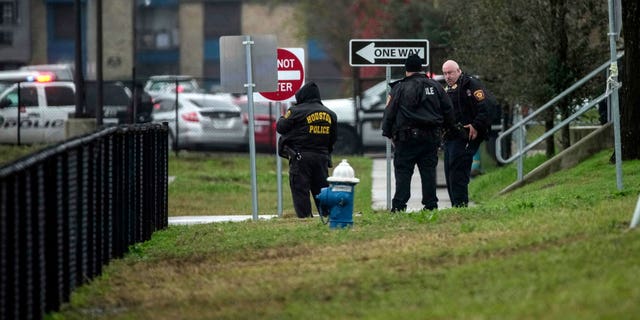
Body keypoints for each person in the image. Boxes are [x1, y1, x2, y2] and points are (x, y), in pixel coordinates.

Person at [381, 54, 455, 212]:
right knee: (428, 172)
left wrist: (387, 133)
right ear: (421, 68)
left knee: (403, 173)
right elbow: (448, 111)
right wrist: (446, 130)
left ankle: (399, 206)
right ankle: (430, 205)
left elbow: (389, 113)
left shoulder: (399, 88)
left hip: (405, 139)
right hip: (430, 138)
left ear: (406, 70)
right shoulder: (435, 87)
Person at [277, 81, 338, 218]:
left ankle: (305, 219)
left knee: (300, 190)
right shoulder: (330, 114)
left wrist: (284, 116)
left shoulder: (295, 111)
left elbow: (281, 127)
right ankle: (328, 218)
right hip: (321, 157)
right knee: (322, 189)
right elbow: (333, 138)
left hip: (300, 157)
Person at [441, 60, 492, 207]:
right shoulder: (447, 89)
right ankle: (455, 206)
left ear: (458, 71)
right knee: (449, 172)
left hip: (465, 137)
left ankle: (460, 206)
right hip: (451, 137)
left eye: (450, 72)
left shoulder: (471, 85)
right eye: (445, 73)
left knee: (458, 172)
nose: (447, 76)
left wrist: (475, 125)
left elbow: (485, 108)